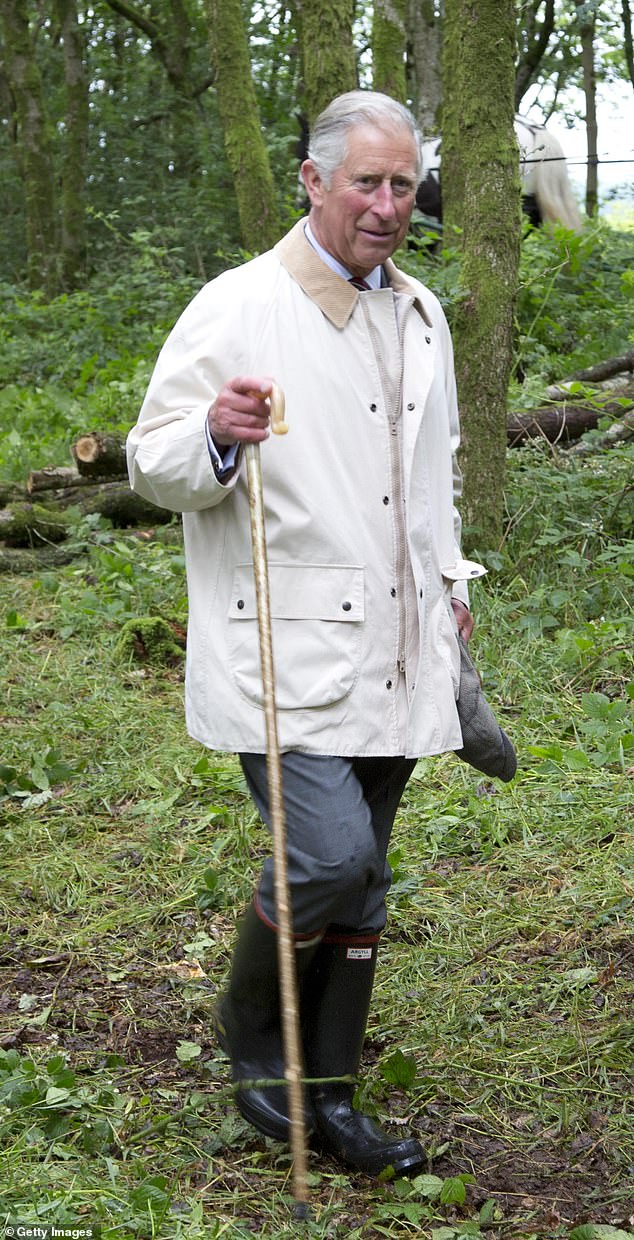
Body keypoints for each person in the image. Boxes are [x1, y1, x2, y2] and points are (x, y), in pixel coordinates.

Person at [127, 90, 481, 1179]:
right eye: (366, 182)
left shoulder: (421, 311)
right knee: (329, 856)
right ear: (311, 181)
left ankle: (331, 1101)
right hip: (281, 646)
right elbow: (153, 461)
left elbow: (438, 479)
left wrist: (454, 585)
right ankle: (251, 1040)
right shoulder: (239, 306)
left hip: (401, 641)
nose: (387, 204)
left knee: (366, 878)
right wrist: (215, 437)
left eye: (402, 183)